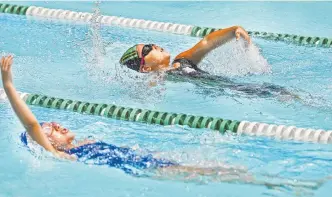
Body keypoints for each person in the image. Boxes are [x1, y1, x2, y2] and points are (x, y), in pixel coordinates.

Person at [0, 55, 324, 189]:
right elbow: (29, 125)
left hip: (148, 160)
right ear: (49, 143)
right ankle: (278, 185)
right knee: (219, 174)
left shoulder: (83, 145)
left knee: (221, 168)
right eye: (51, 130)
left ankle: (276, 184)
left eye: (54, 124)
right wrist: (9, 84)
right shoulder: (61, 153)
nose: (56, 125)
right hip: (149, 168)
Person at [119, 26, 299, 99]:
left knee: (283, 93)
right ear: (145, 67)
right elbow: (149, 95)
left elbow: (207, 43)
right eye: (147, 49)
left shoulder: (182, 61)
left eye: (151, 43)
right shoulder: (158, 77)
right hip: (233, 94)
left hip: (239, 89)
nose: (154, 45)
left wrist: (233, 31)